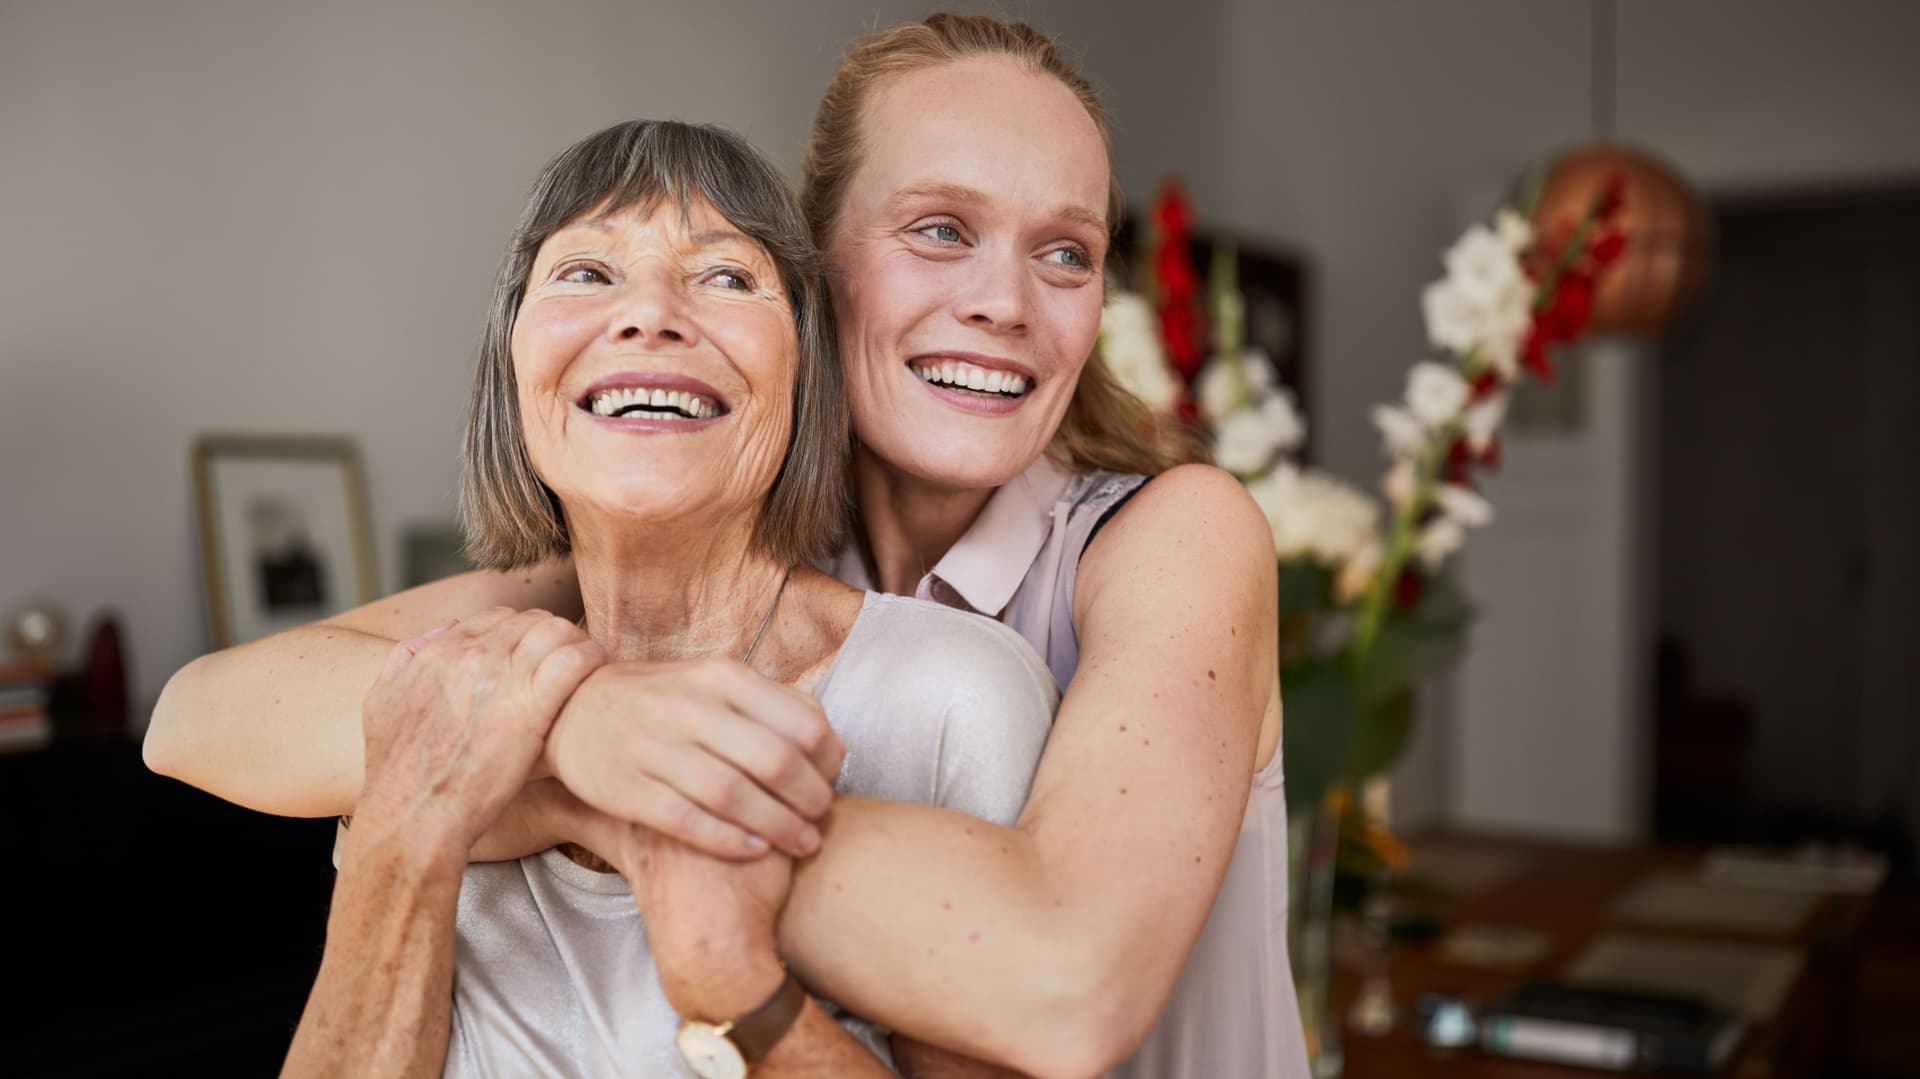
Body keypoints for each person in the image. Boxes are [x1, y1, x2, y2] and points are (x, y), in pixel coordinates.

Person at [149, 14, 1308, 1078]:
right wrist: (590, 723)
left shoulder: (1171, 533)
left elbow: (1067, 985)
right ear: (815, 267)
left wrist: (568, 779)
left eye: (1066, 252)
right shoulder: (686, 540)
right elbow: (200, 713)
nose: (1006, 300)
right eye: (941, 229)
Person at [277, 118, 1058, 1076]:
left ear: (804, 370)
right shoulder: (448, 688)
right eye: (586, 273)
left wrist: (730, 977)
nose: (648, 316)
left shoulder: (954, 699)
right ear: (512, 364)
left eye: (727, 277)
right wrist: (406, 835)